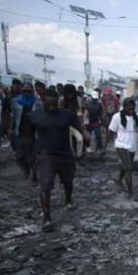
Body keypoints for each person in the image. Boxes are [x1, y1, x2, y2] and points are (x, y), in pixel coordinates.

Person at [29, 89, 91, 232]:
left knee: (68, 181)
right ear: (43, 101)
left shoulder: (67, 115)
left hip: (65, 154)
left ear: (58, 102)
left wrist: (86, 136)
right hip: (46, 154)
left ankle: (68, 200)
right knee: (46, 186)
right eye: (49, 104)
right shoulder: (35, 116)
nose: (52, 107)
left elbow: (80, 127)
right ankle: (47, 218)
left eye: (54, 104)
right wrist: (31, 155)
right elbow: (29, 136)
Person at [106, 97, 138, 199]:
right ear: (124, 107)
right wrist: (105, 145)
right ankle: (130, 191)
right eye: (129, 109)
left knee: (126, 165)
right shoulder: (117, 117)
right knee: (128, 167)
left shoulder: (137, 116)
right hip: (121, 145)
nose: (131, 110)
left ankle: (119, 179)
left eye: (133, 108)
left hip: (132, 146)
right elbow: (110, 131)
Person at [8, 83, 42, 183]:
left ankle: (34, 174)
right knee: (19, 156)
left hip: (33, 133)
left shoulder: (38, 103)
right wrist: (10, 129)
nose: (27, 93)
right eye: (25, 91)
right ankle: (26, 169)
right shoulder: (15, 101)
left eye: (29, 91)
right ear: (22, 91)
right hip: (20, 132)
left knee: (33, 156)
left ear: (32, 91)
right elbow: (12, 116)